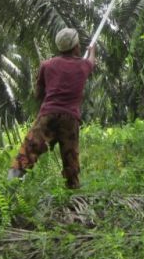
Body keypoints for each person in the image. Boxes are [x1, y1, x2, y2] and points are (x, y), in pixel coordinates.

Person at [7, 28, 96, 188]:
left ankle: (10, 184)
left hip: (48, 114)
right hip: (70, 119)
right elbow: (91, 62)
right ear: (76, 47)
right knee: (70, 158)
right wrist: (92, 51)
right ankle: (72, 190)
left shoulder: (46, 65)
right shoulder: (83, 66)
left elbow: (39, 92)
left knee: (29, 149)